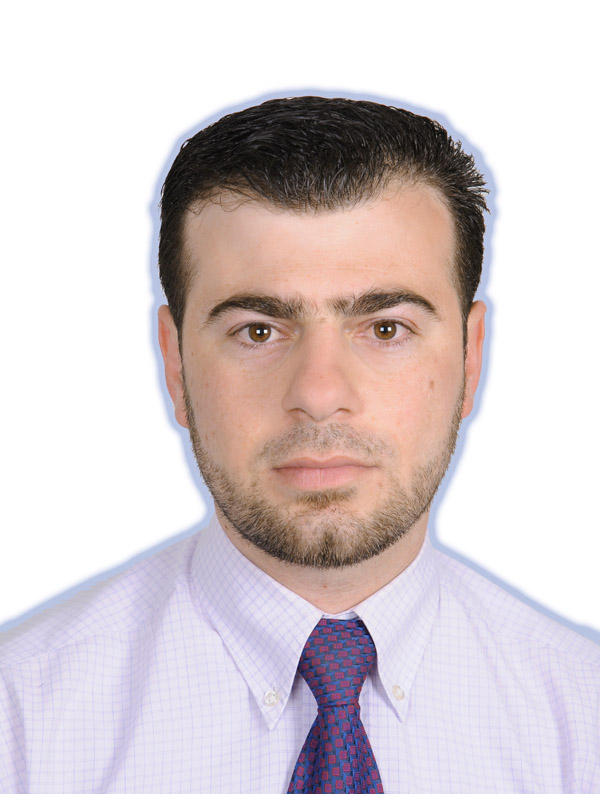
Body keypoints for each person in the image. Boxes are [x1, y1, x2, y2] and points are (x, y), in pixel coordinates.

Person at [1, 97, 598, 793]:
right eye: (257, 330)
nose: (318, 393)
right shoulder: (21, 727)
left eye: (385, 328)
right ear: (176, 363)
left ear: (471, 357)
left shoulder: (583, 722)